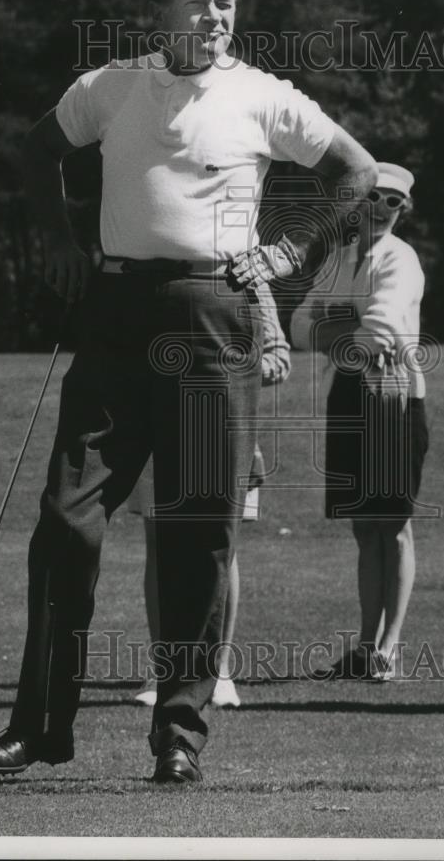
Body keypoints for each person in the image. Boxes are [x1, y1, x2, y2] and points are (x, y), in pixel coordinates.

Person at [0, 0, 377, 785]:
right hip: (115, 315)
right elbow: (29, 150)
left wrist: (288, 249)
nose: (215, 16)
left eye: (226, 3)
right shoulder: (111, 87)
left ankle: (180, 736)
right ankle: (40, 728)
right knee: (65, 522)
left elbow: (357, 174)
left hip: (213, 321)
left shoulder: (261, 95)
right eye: (198, 1)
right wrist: (62, 244)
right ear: (161, 13)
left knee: (198, 535)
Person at [293, 163, 429, 681]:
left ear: (403, 209)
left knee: (392, 527)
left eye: (391, 201)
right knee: (362, 527)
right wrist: (346, 325)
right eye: (371, 197)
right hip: (349, 393)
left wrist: (341, 324)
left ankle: (388, 649)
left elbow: (383, 326)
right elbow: (301, 325)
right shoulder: (338, 261)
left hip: (394, 396)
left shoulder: (403, 260)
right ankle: (364, 644)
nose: (379, 208)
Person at [131, 282, 292, 710]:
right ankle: (165, 668)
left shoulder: (249, 278)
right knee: (160, 543)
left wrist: (223, 369)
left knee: (221, 548)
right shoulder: (153, 271)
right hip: (158, 428)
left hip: (223, 426)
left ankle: (217, 669)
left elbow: (278, 356)